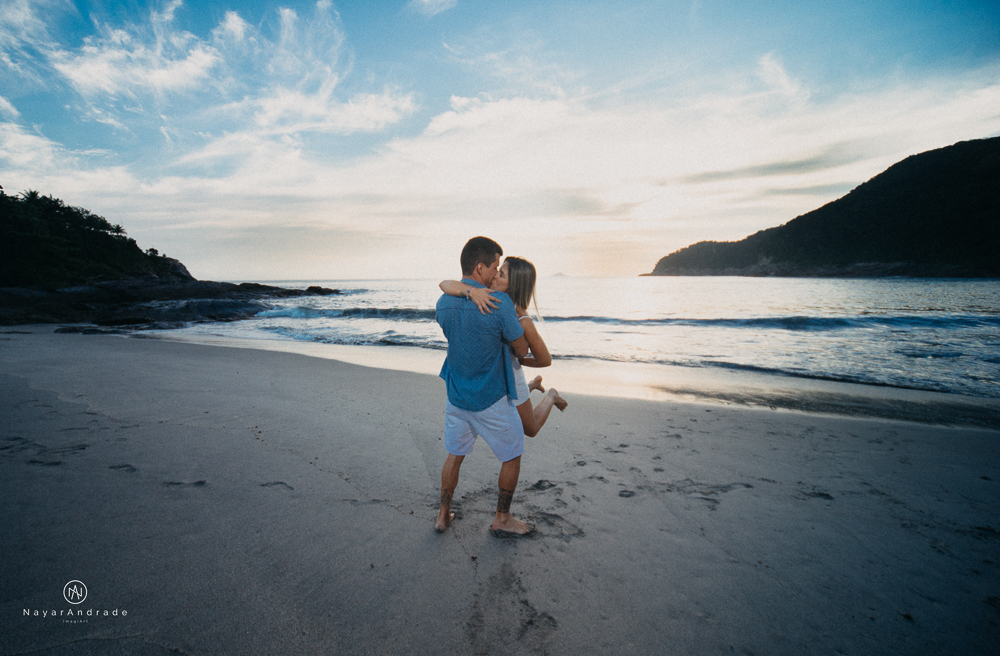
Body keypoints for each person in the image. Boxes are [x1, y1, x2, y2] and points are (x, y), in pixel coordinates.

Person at [434, 237, 534, 537]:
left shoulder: (443, 303)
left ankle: (442, 515)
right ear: (480, 268)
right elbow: (521, 350)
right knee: (513, 453)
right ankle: (502, 517)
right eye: (494, 268)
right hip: (490, 398)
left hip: (457, 395)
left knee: (455, 454)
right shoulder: (499, 304)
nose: (495, 274)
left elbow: (461, 331)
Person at [440, 256, 568, 438]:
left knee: (530, 429)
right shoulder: (485, 295)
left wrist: (521, 359)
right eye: (497, 271)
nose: (494, 277)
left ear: (514, 284)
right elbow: (445, 284)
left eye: (501, 275)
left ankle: (551, 396)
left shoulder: (523, 320)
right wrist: (472, 292)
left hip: (512, 378)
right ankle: (533, 385)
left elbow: (545, 359)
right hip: (493, 376)